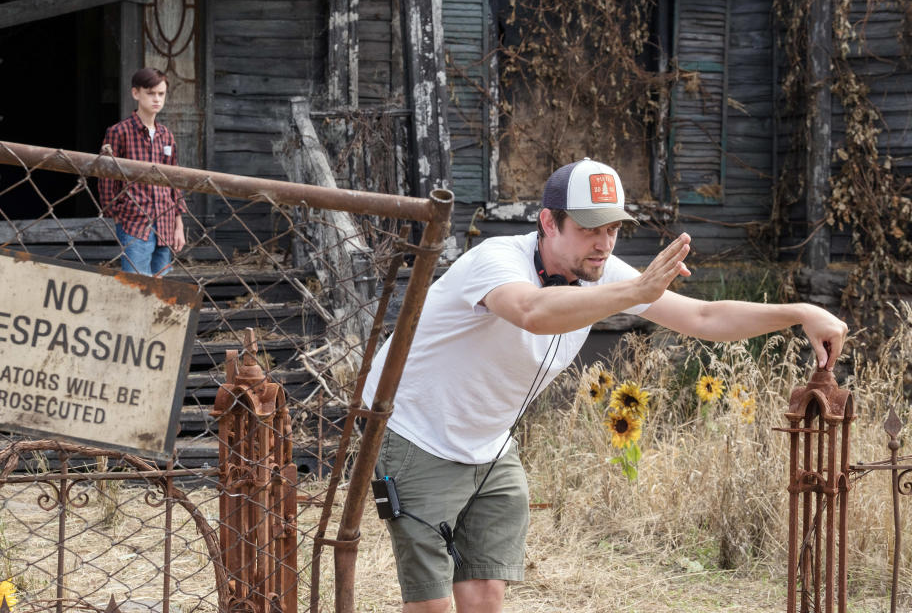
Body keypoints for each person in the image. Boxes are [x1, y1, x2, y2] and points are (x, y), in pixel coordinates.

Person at [361, 158, 849, 613]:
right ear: (549, 222)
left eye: (613, 229)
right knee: (431, 602)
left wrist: (798, 313)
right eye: (590, 228)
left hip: (488, 445)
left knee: (486, 591)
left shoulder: (603, 274)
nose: (604, 243)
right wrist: (636, 292)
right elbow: (532, 312)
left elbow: (701, 315)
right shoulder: (496, 259)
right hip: (416, 431)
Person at [98, 68, 186, 276]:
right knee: (137, 284)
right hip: (135, 223)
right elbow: (106, 180)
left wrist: (178, 225)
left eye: (161, 94)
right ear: (136, 93)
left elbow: (174, 182)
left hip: (165, 223)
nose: (156, 99)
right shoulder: (119, 132)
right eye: (150, 93)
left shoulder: (167, 136)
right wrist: (118, 215)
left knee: (160, 286)